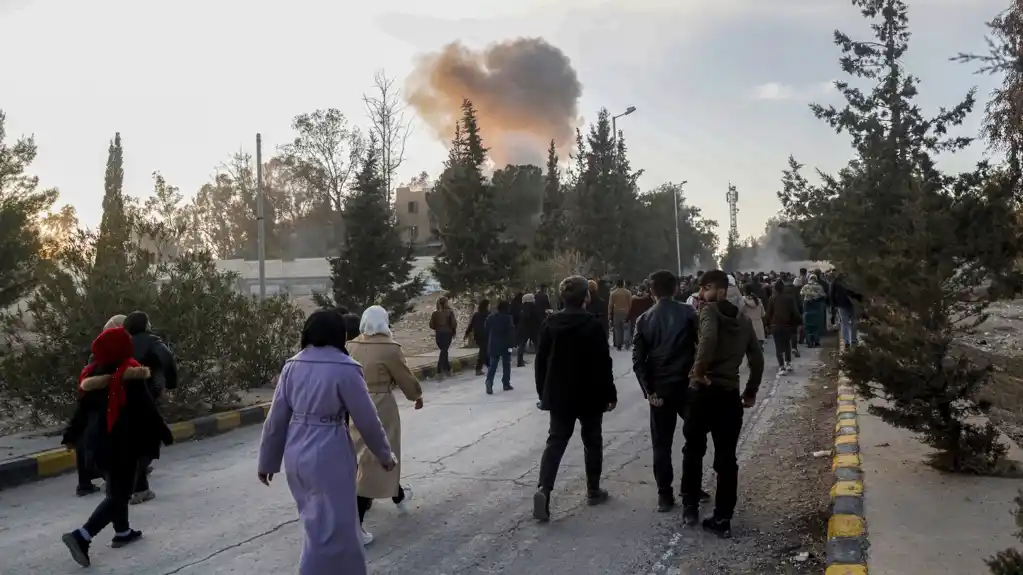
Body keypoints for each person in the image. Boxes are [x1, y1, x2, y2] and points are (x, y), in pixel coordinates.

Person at [257, 310, 396, 575]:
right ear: (339, 335)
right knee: (334, 530)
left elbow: (275, 420)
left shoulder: (292, 366)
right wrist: (385, 456)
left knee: (316, 525)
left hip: (296, 455)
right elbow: (367, 420)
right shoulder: (346, 368)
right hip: (329, 452)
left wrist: (267, 462)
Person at [61, 326, 174, 567]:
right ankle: (82, 536)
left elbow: (80, 413)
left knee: (116, 488)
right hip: (122, 445)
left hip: (95, 447)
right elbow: (148, 410)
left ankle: (122, 531)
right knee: (120, 494)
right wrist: (164, 433)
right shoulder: (130, 376)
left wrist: (70, 436)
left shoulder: (92, 377)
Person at [682, 270, 764, 539]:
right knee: (726, 459)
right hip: (730, 395)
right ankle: (723, 518)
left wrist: (698, 372)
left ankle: (690, 506)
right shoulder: (743, 321)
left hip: (704, 392)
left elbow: (707, 341)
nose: (701, 295)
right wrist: (751, 391)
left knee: (693, 449)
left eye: (703, 289)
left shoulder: (709, 312)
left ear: (713, 289)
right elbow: (757, 359)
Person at [533, 275, 617, 522]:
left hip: (559, 395)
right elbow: (604, 364)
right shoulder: (593, 325)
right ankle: (593, 490)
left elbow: (540, 363)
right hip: (590, 395)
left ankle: (544, 489)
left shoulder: (550, 324)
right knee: (592, 441)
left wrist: (543, 394)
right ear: (586, 297)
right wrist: (610, 394)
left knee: (556, 441)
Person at [632, 270, 709, 512]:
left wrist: (649, 390)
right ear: (676, 288)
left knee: (661, 444)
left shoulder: (644, 320)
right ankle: (692, 488)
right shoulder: (688, 313)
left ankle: (664, 495)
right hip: (688, 387)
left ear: (651, 291)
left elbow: (638, 360)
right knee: (695, 440)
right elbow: (703, 346)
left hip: (660, 390)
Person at [347, 306, 424, 545]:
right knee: (380, 455)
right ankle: (356, 524)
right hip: (381, 406)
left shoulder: (352, 345)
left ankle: (398, 495)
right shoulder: (390, 348)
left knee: (361, 456)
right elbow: (405, 377)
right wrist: (416, 396)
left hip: (353, 404)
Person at [122, 310, 178, 505]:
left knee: (131, 438)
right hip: (148, 392)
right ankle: (138, 484)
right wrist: (171, 383)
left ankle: (133, 480)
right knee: (150, 439)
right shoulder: (152, 340)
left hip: (121, 396)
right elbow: (167, 358)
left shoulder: (122, 342)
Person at [75, 314, 128, 497]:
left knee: (85, 438)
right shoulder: (112, 351)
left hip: (87, 399)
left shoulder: (98, 349)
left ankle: (85, 482)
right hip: (100, 401)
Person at [766, 279, 802, 374]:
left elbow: (768, 313)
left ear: (775, 289)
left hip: (775, 325)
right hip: (787, 325)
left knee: (778, 346)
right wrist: (798, 323)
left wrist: (767, 325)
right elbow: (794, 312)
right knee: (787, 345)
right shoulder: (789, 299)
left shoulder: (772, 299)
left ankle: (781, 367)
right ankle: (788, 364)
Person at [484, 300, 516, 394]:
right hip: (506, 344)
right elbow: (511, 331)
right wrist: (512, 343)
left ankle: (489, 381)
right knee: (506, 364)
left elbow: (486, 327)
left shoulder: (491, 316)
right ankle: (506, 383)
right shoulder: (508, 317)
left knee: (493, 364)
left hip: (493, 343)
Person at [429, 296, 457, 378]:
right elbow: (454, 324)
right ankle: (439, 371)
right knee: (444, 352)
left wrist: (438, 327)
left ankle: (448, 370)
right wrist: (453, 331)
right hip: (447, 334)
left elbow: (431, 325)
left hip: (438, 334)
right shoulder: (450, 312)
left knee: (444, 351)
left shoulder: (435, 313)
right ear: (445, 303)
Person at [800, 275, 828, 348]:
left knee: (807, 324)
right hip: (816, 306)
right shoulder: (819, 286)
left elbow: (801, 293)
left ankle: (809, 340)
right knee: (816, 324)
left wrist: (808, 295)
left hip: (807, 306)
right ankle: (816, 340)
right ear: (816, 279)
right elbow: (823, 295)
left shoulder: (806, 286)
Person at [464, 299, 490, 376]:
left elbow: (471, 325)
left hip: (478, 335)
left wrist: (466, 333)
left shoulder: (476, 314)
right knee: (483, 351)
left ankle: (487, 366)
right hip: (485, 335)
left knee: (484, 350)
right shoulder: (488, 314)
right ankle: (479, 368)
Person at [516, 293, 542, 367]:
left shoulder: (521, 308)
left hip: (523, 329)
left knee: (522, 345)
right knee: (537, 345)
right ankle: (540, 361)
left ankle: (519, 361)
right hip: (533, 329)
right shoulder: (534, 308)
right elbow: (537, 318)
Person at [609, 279, 633, 351]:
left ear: (616, 285)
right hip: (626, 312)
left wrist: (609, 314)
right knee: (626, 328)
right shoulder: (628, 293)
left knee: (617, 329)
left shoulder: (613, 293)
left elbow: (610, 305)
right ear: (623, 284)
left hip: (616, 312)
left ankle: (618, 344)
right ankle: (626, 343)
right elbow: (630, 303)